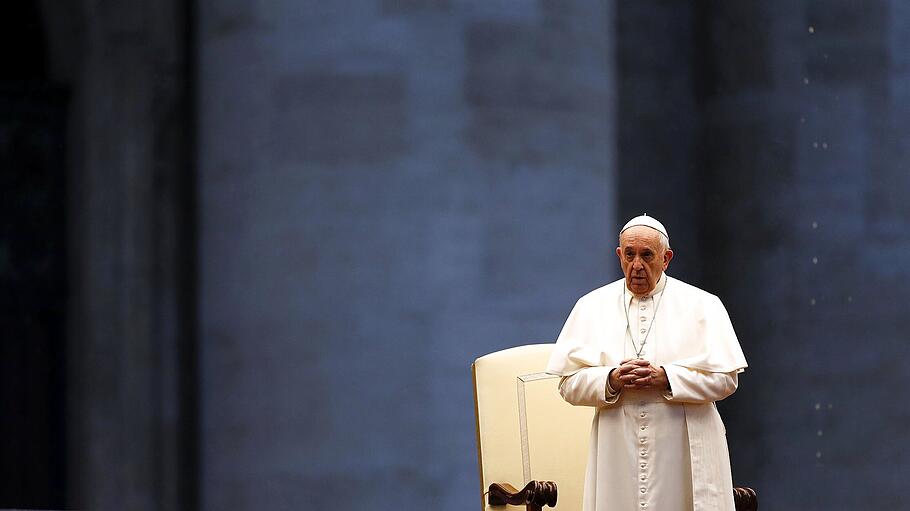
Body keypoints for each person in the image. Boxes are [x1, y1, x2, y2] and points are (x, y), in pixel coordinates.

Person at [546, 214, 747, 511]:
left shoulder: (703, 304)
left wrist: (667, 378)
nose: (636, 265)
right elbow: (568, 384)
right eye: (629, 255)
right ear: (619, 255)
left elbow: (726, 380)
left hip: (682, 446)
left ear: (666, 259)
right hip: (617, 446)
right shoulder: (591, 306)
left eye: (647, 255)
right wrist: (611, 379)